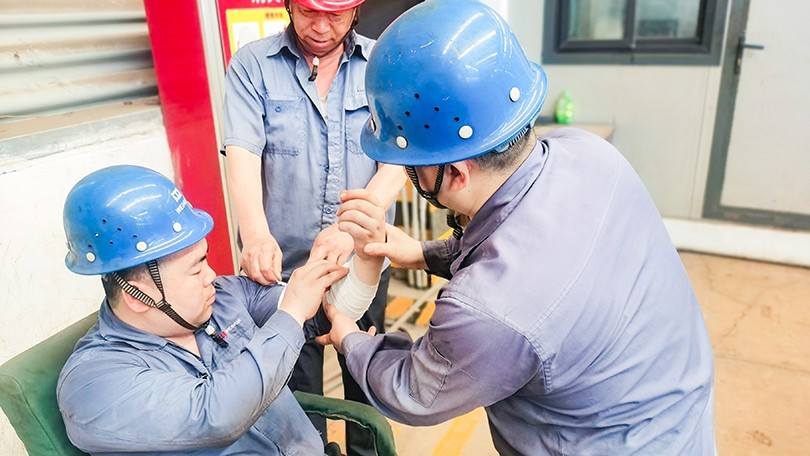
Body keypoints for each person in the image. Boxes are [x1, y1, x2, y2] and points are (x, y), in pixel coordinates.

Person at [317, 0, 717, 454]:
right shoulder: (587, 152)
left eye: (413, 165)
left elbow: (416, 391)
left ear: (456, 173)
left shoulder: (487, 309)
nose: (409, 174)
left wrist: (351, 339)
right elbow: (521, 240)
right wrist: (424, 254)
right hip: (678, 413)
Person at [57, 165, 385, 455]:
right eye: (196, 268)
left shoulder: (224, 296)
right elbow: (215, 415)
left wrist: (367, 256)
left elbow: (328, 306)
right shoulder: (94, 384)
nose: (211, 275)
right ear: (139, 295)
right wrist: (291, 314)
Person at [221, 0, 406, 452]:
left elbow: (399, 158)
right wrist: (255, 233)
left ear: (356, 10)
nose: (321, 27)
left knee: (365, 380)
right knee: (297, 398)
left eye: (335, 15)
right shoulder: (252, 65)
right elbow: (242, 153)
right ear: (288, 4)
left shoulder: (384, 64)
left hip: (362, 263)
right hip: (284, 271)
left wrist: (352, 227)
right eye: (308, 12)